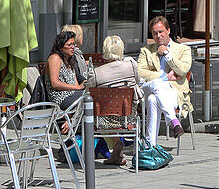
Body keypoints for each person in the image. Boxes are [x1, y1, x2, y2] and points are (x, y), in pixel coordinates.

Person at [87, 35, 140, 166]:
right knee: (111, 111)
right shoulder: (131, 66)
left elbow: (89, 90)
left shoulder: (97, 72)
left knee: (100, 111)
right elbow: (137, 82)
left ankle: (115, 147)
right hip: (128, 117)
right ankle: (117, 153)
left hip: (104, 120)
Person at [138, 16, 191, 146]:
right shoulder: (146, 51)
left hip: (173, 93)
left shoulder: (183, 50)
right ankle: (173, 120)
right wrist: (164, 77)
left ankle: (151, 145)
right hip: (149, 87)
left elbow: (183, 70)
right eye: (155, 33)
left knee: (153, 99)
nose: (158, 36)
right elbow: (139, 72)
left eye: (161, 31)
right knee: (156, 84)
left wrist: (167, 54)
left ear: (168, 31)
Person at [46, 30, 88, 115]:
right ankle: (72, 121)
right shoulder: (55, 58)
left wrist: (84, 84)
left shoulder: (69, 60)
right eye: (69, 45)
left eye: (74, 44)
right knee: (89, 99)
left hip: (73, 94)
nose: (73, 47)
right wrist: (78, 87)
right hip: (61, 97)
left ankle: (73, 121)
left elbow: (76, 83)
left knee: (94, 95)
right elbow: (55, 83)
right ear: (61, 47)